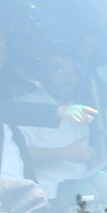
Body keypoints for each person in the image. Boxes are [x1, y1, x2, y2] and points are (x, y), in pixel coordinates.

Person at [15, 51, 95, 198]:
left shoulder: (79, 111)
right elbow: (16, 154)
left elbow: (79, 159)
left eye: (72, 72)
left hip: (78, 203)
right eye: (59, 71)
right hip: (41, 204)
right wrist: (65, 153)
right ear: (43, 74)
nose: (68, 78)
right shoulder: (26, 108)